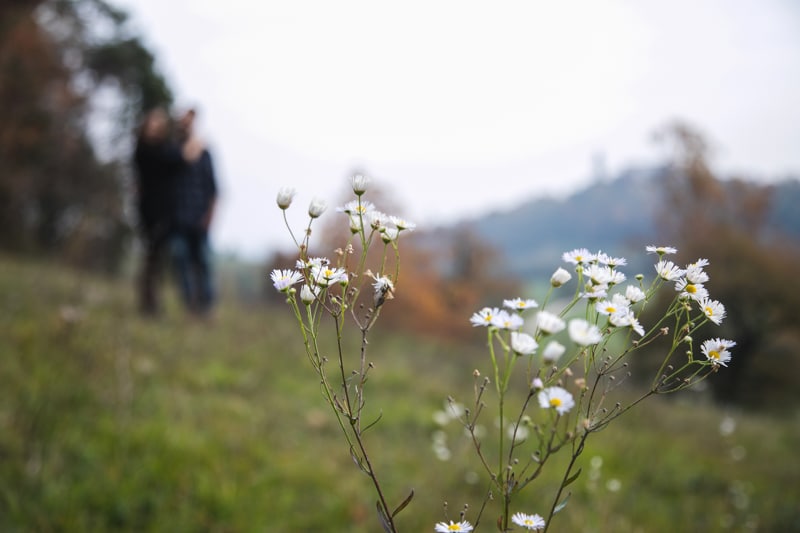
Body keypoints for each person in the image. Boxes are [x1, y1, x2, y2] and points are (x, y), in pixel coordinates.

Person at [133, 108, 196, 316]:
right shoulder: (147, 150)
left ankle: (150, 302)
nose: (157, 127)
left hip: (161, 212)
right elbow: (182, 156)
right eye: (154, 123)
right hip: (152, 213)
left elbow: (175, 154)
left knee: (155, 259)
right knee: (153, 259)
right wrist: (193, 138)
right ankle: (149, 304)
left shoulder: (158, 148)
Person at [170, 108, 218, 317]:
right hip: (178, 220)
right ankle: (189, 305)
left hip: (200, 220)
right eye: (183, 121)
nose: (186, 125)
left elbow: (213, 188)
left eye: (189, 121)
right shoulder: (172, 152)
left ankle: (205, 308)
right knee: (181, 260)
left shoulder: (206, 154)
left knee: (204, 263)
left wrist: (209, 216)